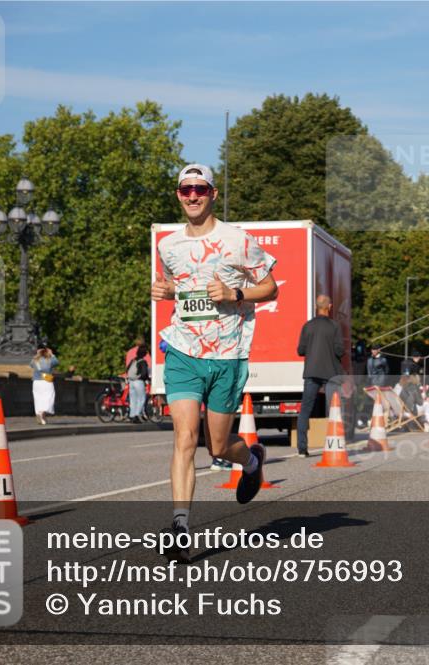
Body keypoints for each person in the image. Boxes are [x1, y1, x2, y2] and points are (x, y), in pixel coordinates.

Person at [152, 163, 278, 562]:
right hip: (184, 351)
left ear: (213, 194)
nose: (192, 196)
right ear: (178, 194)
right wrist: (168, 290)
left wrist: (234, 293)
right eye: (185, 190)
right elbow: (183, 287)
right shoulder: (168, 247)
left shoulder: (237, 241)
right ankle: (180, 525)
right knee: (184, 439)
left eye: (200, 189)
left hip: (227, 354)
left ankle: (252, 459)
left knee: (218, 446)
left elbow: (270, 286)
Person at [296, 295, 346, 458]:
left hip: (311, 372)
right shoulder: (334, 326)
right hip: (330, 372)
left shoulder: (307, 326)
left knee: (305, 410)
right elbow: (340, 350)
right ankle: (335, 443)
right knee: (334, 409)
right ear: (329, 306)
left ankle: (302, 448)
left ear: (316, 307)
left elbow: (301, 350)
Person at [30, 345, 59, 426]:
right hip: (47, 381)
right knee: (49, 397)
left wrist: (37, 355)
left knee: (38, 398)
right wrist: (52, 354)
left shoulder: (35, 360)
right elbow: (57, 362)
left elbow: (31, 365)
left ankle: (40, 415)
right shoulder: (50, 360)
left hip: (36, 382)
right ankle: (43, 412)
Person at [127, 345, 150, 423]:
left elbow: (127, 369)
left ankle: (131, 415)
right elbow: (144, 373)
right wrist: (147, 379)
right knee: (141, 399)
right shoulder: (142, 362)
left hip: (131, 382)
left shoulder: (133, 360)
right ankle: (137, 415)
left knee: (133, 400)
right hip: (139, 382)